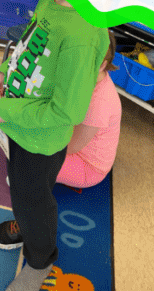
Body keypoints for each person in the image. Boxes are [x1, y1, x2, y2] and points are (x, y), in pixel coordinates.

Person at [0, 0, 111, 291]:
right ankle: (27, 224)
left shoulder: (83, 33)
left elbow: (67, 110)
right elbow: (28, 43)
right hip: (22, 124)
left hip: (40, 139)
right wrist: (4, 75)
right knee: (22, 192)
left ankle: (40, 261)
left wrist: (4, 108)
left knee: (33, 200)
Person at [56, 29, 122, 189]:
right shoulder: (91, 76)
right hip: (74, 136)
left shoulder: (99, 102)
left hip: (87, 167)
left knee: (31, 156)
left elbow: (72, 146)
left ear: (101, 65)